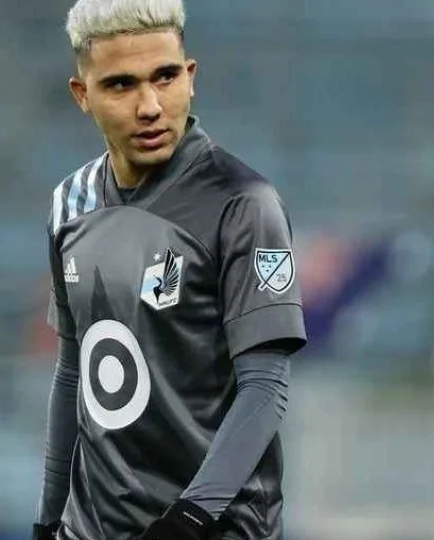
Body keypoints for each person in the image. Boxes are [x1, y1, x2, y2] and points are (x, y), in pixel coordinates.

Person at [33, 1, 307, 539]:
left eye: (165, 77)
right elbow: (73, 373)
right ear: (82, 95)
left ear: (190, 76)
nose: (151, 106)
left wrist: (189, 519)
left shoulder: (243, 203)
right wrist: (47, 521)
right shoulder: (69, 204)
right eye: (121, 85)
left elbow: (265, 387)